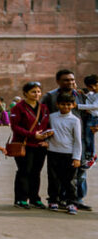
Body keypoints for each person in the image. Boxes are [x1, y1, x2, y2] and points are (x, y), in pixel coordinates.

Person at [43, 70, 91, 211]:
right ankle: (58, 199)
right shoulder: (50, 97)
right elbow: (43, 117)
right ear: (58, 81)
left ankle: (76, 200)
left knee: (78, 172)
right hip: (56, 144)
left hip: (77, 140)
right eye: (66, 80)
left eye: (71, 80)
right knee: (56, 176)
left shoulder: (79, 95)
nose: (69, 82)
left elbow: (88, 113)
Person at [10, 81, 53, 209]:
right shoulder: (18, 108)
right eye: (33, 91)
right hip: (24, 144)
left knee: (36, 172)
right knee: (24, 171)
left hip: (39, 145)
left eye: (38, 91)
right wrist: (32, 134)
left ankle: (35, 198)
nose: (36, 94)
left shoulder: (44, 108)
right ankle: (21, 199)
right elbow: (15, 126)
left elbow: (47, 124)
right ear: (25, 93)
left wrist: (47, 136)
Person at [47, 92, 83, 214]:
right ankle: (53, 201)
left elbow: (78, 140)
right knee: (53, 179)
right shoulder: (52, 117)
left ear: (73, 105)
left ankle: (71, 203)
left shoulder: (75, 120)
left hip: (68, 154)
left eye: (69, 104)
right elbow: (47, 132)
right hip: (53, 152)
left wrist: (77, 157)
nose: (66, 107)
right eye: (63, 104)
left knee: (69, 180)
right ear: (57, 104)